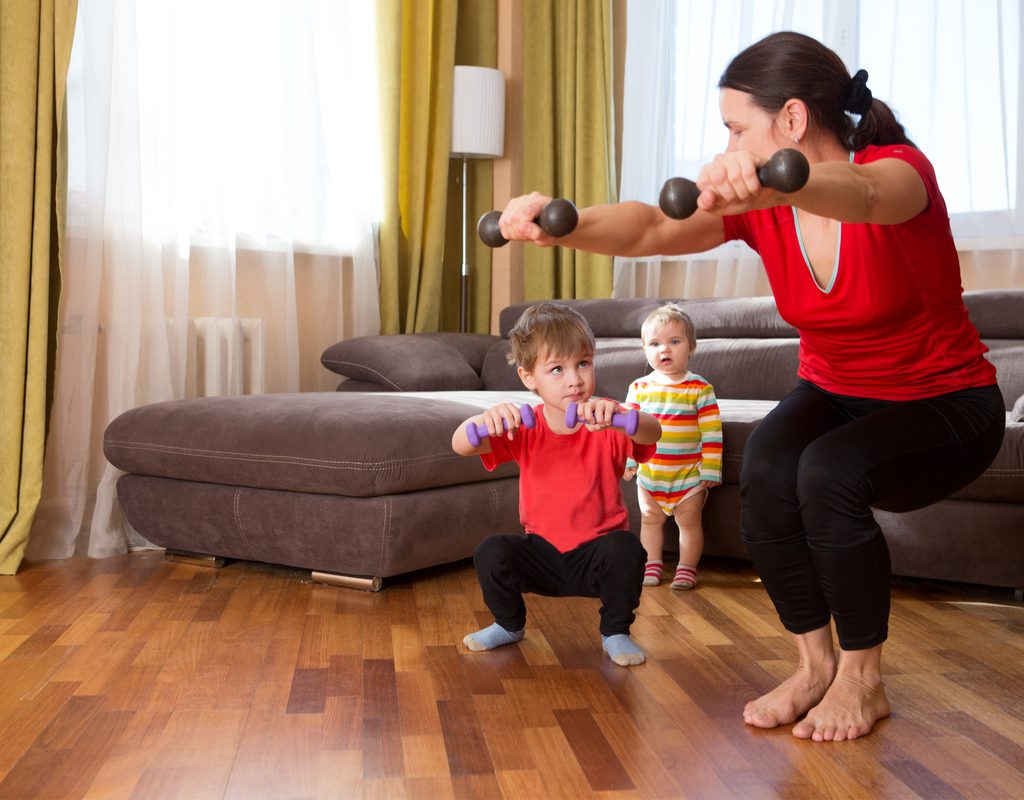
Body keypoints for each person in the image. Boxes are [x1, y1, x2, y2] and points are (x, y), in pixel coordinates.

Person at [491, 32, 1005, 740]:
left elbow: (864, 195)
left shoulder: (900, 170)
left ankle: (863, 678)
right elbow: (648, 229)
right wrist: (562, 226)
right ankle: (814, 665)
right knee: (765, 465)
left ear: (791, 120)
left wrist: (774, 180)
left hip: (945, 406)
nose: (728, 142)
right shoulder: (762, 207)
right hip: (837, 394)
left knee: (827, 470)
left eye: (737, 127)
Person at [451, 302, 662, 667]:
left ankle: (615, 632)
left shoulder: (608, 418)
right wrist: (482, 422)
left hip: (597, 556)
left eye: (583, 363)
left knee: (627, 549)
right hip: (542, 554)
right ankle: (507, 624)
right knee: (491, 551)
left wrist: (626, 419)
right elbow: (461, 445)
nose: (574, 379)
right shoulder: (525, 424)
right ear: (528, 377)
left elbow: (652, 432)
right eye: (557, 369)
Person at [622, 304, 722, 590]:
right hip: (651, 472)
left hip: (688, 473)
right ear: (644, 349)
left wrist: (711, 470)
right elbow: (629, 430)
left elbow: (712, 432)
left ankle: (687, 568)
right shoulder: (638, 388)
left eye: (674, 342)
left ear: (691, 347)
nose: (664, 350)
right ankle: (652, 564)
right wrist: (630, 462)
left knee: (689, 521)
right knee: (650, 520)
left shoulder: (699, 388)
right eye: (654, 344)